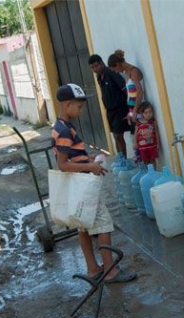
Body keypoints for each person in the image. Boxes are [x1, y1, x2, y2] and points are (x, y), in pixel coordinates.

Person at [51, 83, 137, 284]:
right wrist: (91, 167)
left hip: (78, 184)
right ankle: (111, 271)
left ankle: (93, 268)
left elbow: (72, 157)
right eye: (79, 107)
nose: (81, 111)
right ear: (67, 104)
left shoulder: (61, 127)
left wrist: (87, 158)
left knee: (83, 226)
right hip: (83, 185)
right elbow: (63, 164)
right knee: (103, 225)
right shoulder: (64, 131)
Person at [88, 54, 130, 158]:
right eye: (92, 67)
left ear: (102, 63)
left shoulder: (111, 73)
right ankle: (120, 158)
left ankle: (124, 160)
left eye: (96, 66)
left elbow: (125, 89)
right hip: (110, 111)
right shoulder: (99, 77)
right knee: (115, 137)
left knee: (118, 135)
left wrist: (130, 108)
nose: (94, 69)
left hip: (120, 109)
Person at [107, 49, 144, 124]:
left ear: (117, 64)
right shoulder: (127, 73)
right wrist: (130, 112)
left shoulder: (133, 72)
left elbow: (140, 92)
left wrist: (135, 110)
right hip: (133, 110)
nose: (116, 72)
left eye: (115, 70)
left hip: (139, 109)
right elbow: (131, 94)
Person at [133, 101, 160, 167]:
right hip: (142, 148)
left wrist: (158, 143)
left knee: (153, 160)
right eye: (146, 112)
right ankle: (148, 174)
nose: (148, 114)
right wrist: (135, 143)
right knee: (145, 161)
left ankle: (154, 173)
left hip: (152, 146)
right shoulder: (138, 123)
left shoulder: (153, 121)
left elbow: (156, 132)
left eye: (150, 112)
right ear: (142, 113)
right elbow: (135, 134)